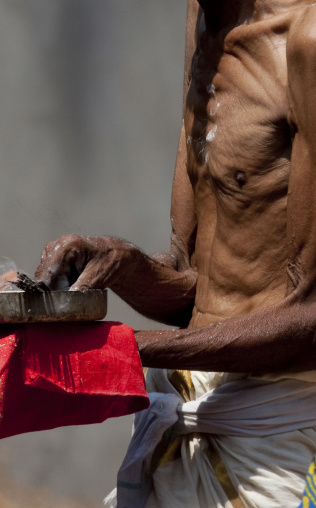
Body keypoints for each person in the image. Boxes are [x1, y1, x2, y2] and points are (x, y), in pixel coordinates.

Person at [35, 1, 316, 506]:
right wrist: (119, 262)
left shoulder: (308, 39)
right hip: (185, 429)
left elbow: (312, 321)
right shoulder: (207, 16)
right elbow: (200, 289)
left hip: (278, 447)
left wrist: (121, 348)